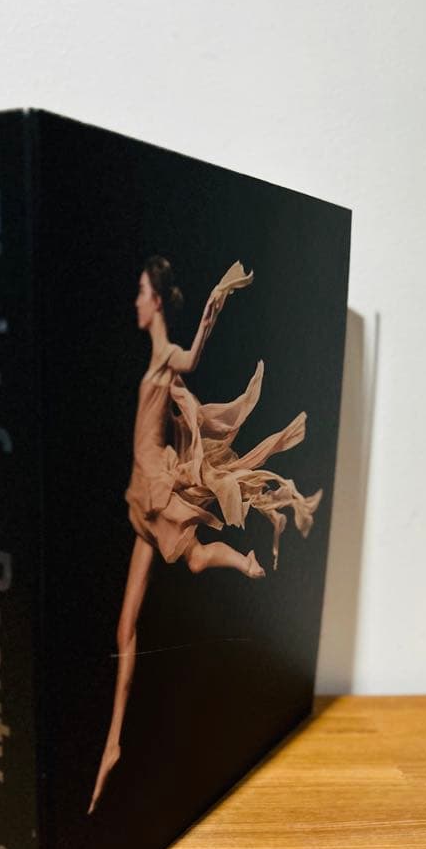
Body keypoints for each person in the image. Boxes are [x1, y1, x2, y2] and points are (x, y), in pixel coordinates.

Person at [87, 256, 322, 814]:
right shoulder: (156, 362)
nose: (135, 301)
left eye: (141, 291)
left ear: (156, 300)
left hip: (156, 487)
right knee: (126, 626)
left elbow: (191, 357)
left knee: (187, 563)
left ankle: (241, 562)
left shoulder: (168, 355)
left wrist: (215, 306)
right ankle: (113, 743)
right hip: (143, 495)